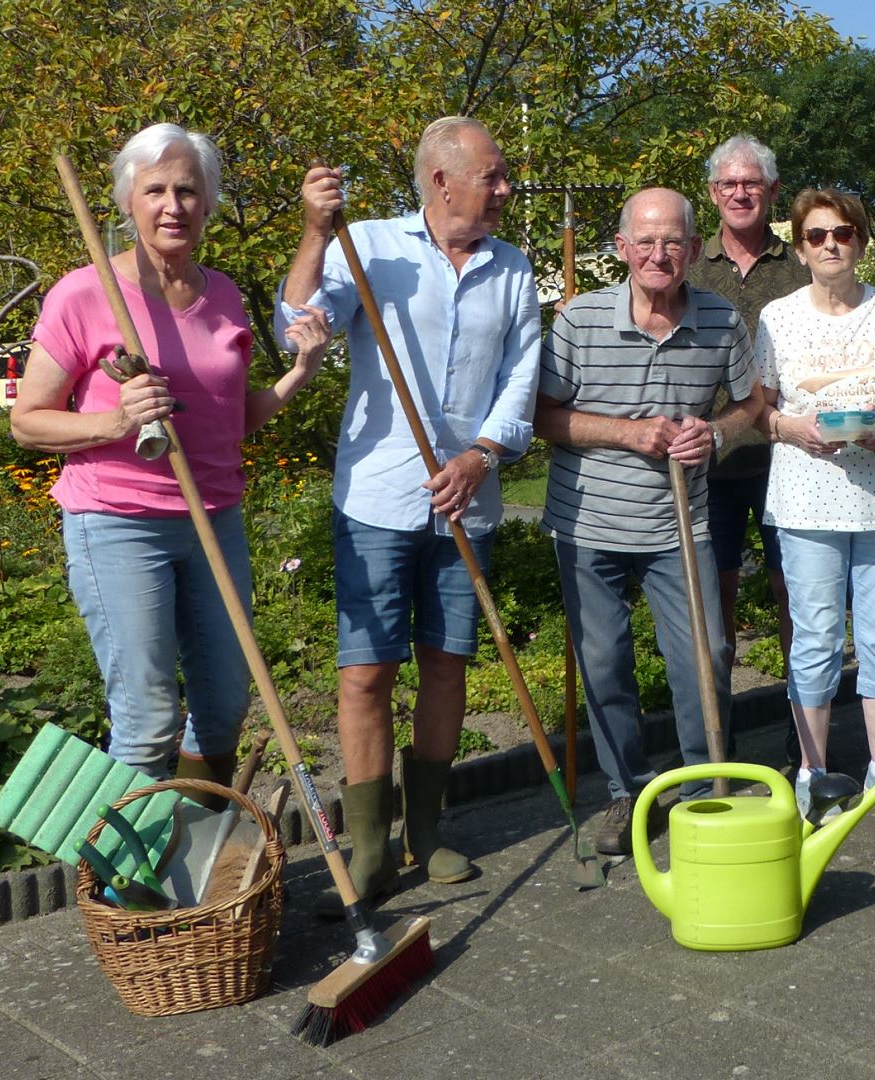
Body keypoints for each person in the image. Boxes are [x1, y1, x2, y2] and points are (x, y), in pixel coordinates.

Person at [12, 123, 330, 806]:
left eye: (187, 189)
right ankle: (134, 892)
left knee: (222, 706)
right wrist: (117, 420)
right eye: (154, 189)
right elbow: (27, 421)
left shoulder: (222, 295)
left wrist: (298, 374)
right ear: (127, 202)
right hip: (118, 521)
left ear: (208, 202)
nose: (172, 204)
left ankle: (190, 850)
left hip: (215, 516)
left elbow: (228, 421)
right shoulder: (83, 293)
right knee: (147, 716)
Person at [276, 117, 541, 905]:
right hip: (379, 497)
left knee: (446, 664)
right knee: (365, 671)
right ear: (440, 181)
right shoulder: (369, 245)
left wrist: (482, 455)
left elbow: (522, 374)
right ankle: (368, 846)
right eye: (492, 177)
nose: (503, 190)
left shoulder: (513, 268)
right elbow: (298, 313)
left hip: (470, 495)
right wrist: (314, 231)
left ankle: (425, 831)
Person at [535, 187, 761, 855]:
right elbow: (543, 419)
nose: (658, 254)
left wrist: (714, 436)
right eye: (645, 241)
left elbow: (751, 404)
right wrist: (624, 433)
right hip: (589, 522)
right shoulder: (578, 320)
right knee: (603, 663)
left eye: (672, 242)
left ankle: (700, 786)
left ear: (694, 249)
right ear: (622, 249)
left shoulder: (721, 320)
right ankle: (626, 791)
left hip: (679, 522)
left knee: (706, 655)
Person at [755, 188, 875, 819]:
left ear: (859, 241)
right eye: (816, 235)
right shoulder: (777, 317)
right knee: (816, 639)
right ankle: (813, 771)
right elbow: (760, 406)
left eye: (843, 233)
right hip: (806, 499)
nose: (831, 244)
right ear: (801, 248)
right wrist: (791, 428)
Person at [688, 134, 809, 682]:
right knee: (716, 596)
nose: (741, 193)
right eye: (730, 184)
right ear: (713, 192)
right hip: (709, 462)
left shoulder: (801, 265)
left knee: (796, 595)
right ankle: (720, 739)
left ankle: (801, 733)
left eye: (752, 183)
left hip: (789, 458)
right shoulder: (688, 264)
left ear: (773, 191)